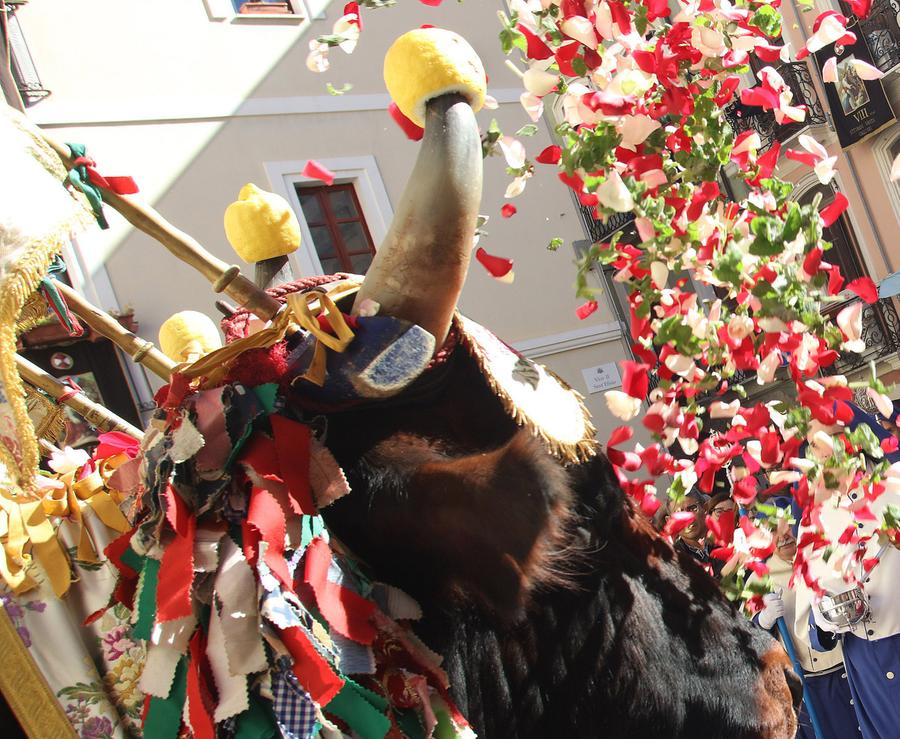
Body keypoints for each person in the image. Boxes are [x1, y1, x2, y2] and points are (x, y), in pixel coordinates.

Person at [793, 406, 900, 739]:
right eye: (814, 446)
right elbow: (810, 626)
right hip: (865, 664)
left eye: (833, 437)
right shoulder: (812, 522)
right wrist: (825, 619)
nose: (825, 452)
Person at [754, 517, 859, 739]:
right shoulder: (759, 576)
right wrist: (762, 621)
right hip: (810, 682)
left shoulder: (826, 557)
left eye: (787, 526)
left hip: (851, 665)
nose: (783, 536)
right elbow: (748, 639)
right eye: (774, 530)